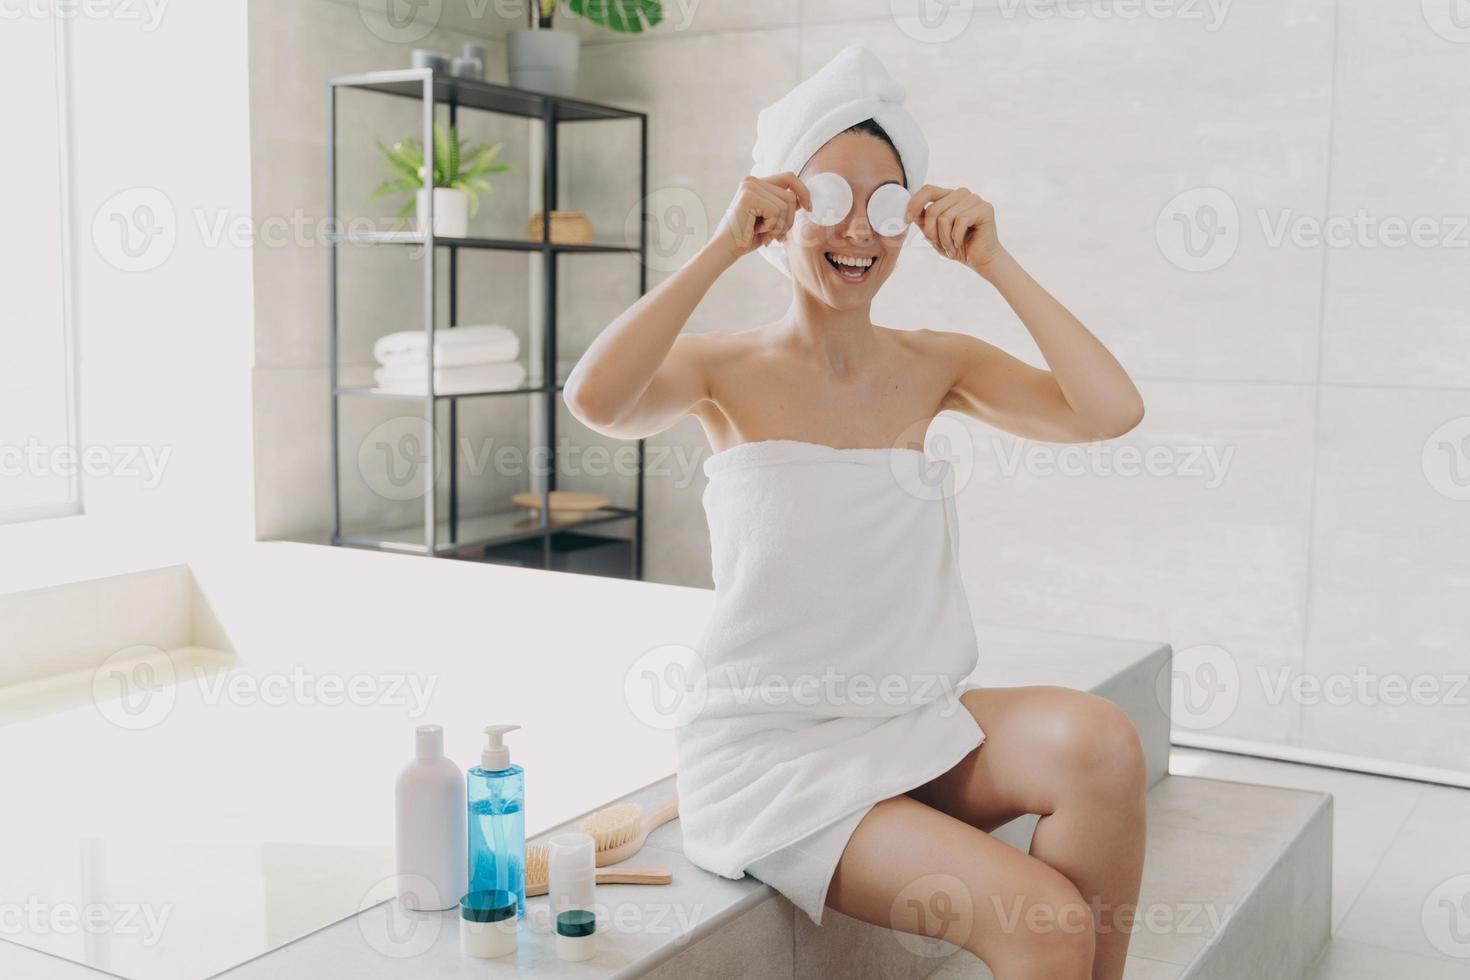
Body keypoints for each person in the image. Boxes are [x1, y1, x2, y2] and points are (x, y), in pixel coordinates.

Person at [564, 46, 1147, 980]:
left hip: (909, 720)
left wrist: (997, 264)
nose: (859, 234)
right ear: (782, 209)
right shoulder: (724, 370)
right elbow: (594, 398)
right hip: (775, 754)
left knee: (1100, 743)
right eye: (830, 199)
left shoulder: (935, 362)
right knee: (1043, 920)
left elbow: (1111, 411)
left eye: (887, 204)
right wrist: (720, 244)